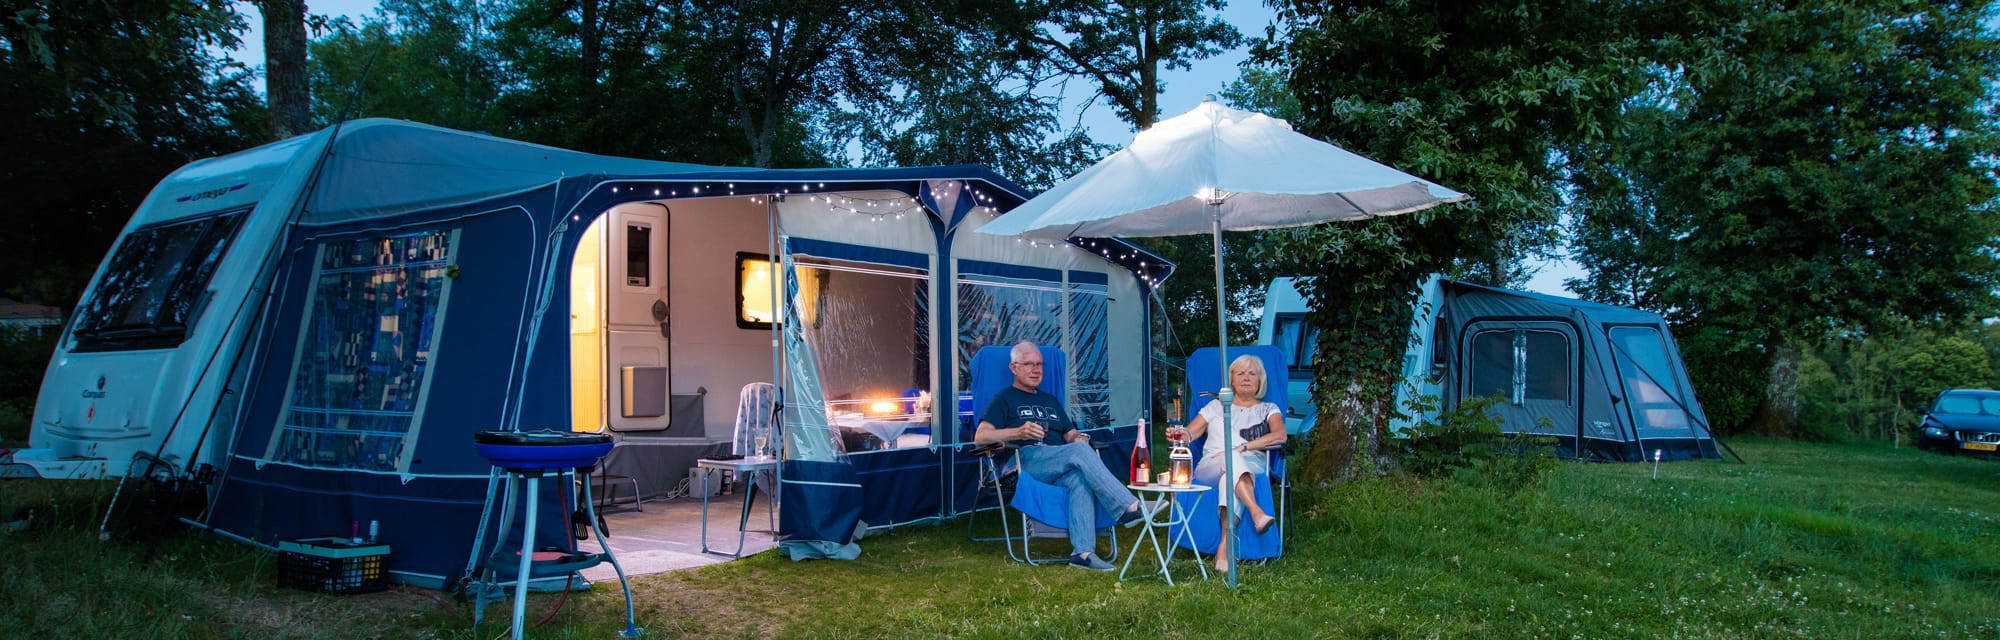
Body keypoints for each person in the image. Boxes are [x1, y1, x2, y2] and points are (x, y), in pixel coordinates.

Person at [974, 340, 1144, 571]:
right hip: (1023, 461)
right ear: (1014, 368)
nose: (1036, 370)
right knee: (1078, 454)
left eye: (1039, 364)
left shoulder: (1050, 400)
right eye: (1028, 364)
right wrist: (1018, 432)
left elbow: (1070, 433)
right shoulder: (1003, 399)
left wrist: (1079, 438)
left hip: (1058, 460)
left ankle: (1082, 553)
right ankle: (1127, 507)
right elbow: (981, 437)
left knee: (1079, 478)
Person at [1171, 353, 1288, 572]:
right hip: (1211, 465)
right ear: (1231, 380)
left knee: (1230, 475)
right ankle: (1256, 511)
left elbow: (1280, 436)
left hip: (1250, 463)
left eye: (1252, 373)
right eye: (1240, 373)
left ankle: (1224, 548)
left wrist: (1243, 448)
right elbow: (1190, 433)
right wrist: (1178, 434)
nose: (1246, 378)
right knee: (1229, 459)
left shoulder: (1268, 408)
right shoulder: (1216, 407)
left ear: (1260, 380)